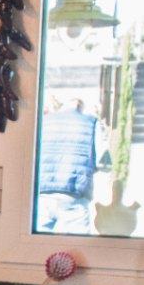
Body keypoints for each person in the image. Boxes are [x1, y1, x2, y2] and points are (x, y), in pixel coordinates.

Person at [37, 99, 103, 234]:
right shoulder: (90, 123)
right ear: (81, 108)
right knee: (79, 245)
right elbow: (102, 161)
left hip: (43, 194)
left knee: (35, 246)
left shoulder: (45, 121)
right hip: (74, 195)